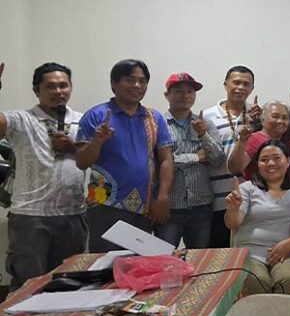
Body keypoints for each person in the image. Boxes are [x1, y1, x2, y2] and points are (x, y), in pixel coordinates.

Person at [0, 62, 87, 290]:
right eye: (50, 86)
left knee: (69, 283)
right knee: (28, 285)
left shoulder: (82, 120)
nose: (58, 91)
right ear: (36, 90)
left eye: (63, 85)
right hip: (31, 216)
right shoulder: (22, 119)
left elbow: (95, 157)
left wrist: (72, 148)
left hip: (73, 214)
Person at [75, 59, 174, 252]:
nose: (137, 85)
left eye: (142, 81)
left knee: (138, 265)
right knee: (105, 265)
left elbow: (166, 159)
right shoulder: (96, 115)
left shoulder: (154, 118)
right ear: (114, 83)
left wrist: (162, 197)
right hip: (104, 205)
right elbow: (81, 162)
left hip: (144, 207)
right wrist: (97, 141)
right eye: (129, 80)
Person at [224, 140, 290, 294]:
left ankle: (282, 312)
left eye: (277, 158)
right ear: (257, 164)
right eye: (264, 159)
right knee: (256, 281)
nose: (270, 163)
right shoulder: (247, 188)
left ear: (288, 161)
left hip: (286, 253)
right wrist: (233, 209)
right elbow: (233, 223)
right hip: (250, 253)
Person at [154, 73, 224, 248]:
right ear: (167, 95)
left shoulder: (205, 124)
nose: (185, 95)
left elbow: (217, 160)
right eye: (179, 91)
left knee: (199, 258)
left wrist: (203, 134)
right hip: (170, 206)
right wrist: (196, 157)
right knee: (164, 256)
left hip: (201, 206)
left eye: (190, 91)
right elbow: (159, 162)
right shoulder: (158, 125)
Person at [204, 65, 260, 248]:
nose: (240, 87)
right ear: (225, 84)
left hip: (251, 199)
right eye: (236, 82)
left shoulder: (257, 115)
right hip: (218, 197)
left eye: (246, 84)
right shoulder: (207, 116)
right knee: (219, 252)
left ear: (252, 88)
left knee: (247, 252)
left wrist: (258, 124)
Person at [226, 100, 290, 180]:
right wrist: (241, 141)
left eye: (284, 118)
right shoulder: (255, 139)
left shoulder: (286, 140)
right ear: (262, 120)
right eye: (275, 116)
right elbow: (235, 169)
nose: (280, 121)